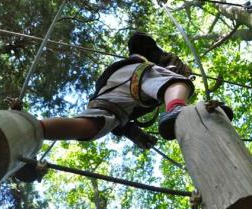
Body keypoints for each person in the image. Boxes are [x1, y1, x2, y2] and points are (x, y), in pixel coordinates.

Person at [39, 32, 196, 146]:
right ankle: (176, 108)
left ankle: (31, 131)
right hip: (133, 75)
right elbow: (163, 73)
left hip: (108, 95)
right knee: (178, 84)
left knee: (90, 127)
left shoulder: (124, 70)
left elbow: (122, 115)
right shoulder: (148, 59)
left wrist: (133, 133)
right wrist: (173, 70)